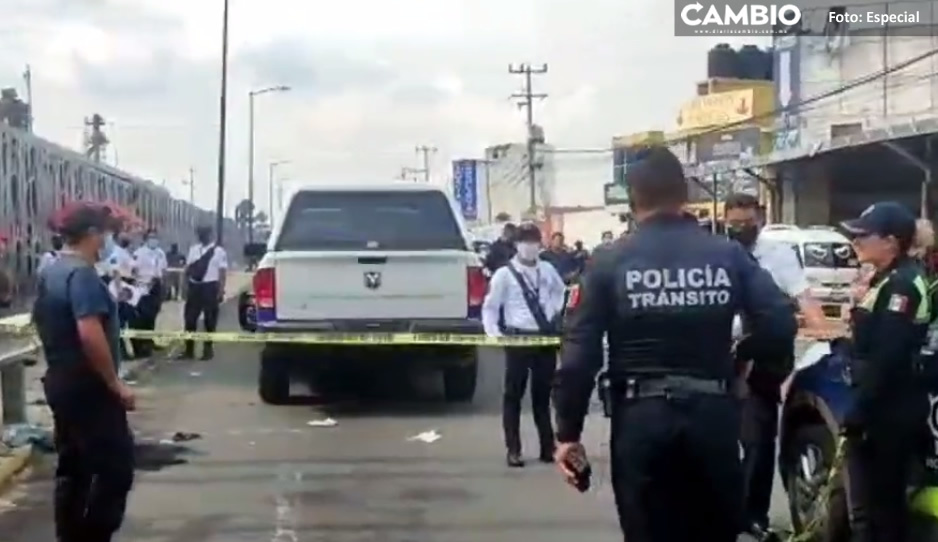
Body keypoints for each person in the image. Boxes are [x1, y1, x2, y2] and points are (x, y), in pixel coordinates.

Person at [552, 146, 797, 542]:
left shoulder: (609, 261)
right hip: (713, 419)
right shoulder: (727, 254)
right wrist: (743, 362)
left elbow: (578, 358)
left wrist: (567, 434)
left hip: (641, 423)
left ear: (632, 200)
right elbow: (780, 322)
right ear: (684, 196)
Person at [722, 192, 827, 538]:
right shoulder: (717, 255)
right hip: (720, 359)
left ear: (760, 219)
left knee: (757, 439)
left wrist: (823, 332)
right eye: (733, 224)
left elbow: (804, 300)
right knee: (718, 440)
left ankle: (753, 513)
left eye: (746, 223)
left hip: (762, 359)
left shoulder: (778, 256)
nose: (739, 230)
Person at [32, 202, 135, 542]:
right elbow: (89, 332)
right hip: (89, 387)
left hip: (60, 380)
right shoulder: (83, 275)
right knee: (115, 468)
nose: (108, 239)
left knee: (73, 467)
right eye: (105, 232)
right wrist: (114, 383)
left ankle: (70, 535)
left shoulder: (51, 271)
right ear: (92, 234)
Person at [839, 201, 931, 541]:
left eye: (865, 235)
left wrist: (859, 408)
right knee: (872, 503)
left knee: (885, 505)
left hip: (892, 409)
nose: (857, 241)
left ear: (891, 242)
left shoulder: (903, 285)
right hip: (881, 404)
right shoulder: (885, 278)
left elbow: (887, 355)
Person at [481, 222, 566, 467]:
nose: (529, 247)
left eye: (533, 242)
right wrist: (493, 332)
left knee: (543, 396)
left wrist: (552, 311)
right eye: (525, 242)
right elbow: (490, 306)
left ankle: (547, 447)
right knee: (513, 397)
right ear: (516, 245)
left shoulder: (547, 269)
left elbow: (561, 292)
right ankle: (514, 450)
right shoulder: (504, 274)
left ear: (540, 244)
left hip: (544, 339)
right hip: (517, 339)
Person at [179, 225, 228, 360]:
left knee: (210, 320)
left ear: (210, 234)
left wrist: (221, 290)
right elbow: (187, 270)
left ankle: (208, 349)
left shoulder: (219, 252)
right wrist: (184, 288)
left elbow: (222, 272)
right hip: (195, 287)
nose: (202, 236)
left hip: (210, 287)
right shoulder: (194, 250)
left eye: (205, 233)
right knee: (189, 319)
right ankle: (189, 350)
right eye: (200, 233)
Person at [131, 229, 168, 357]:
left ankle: (150, 341)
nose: (154, 240)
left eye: (155, 237)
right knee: (143, 317)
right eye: (151, 237)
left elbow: (163, 270)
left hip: (156, 286)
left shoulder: (160, 253)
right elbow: (133, 271)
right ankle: (142, 345)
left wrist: (163, 287)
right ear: (145, 239)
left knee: (153, 316)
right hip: (143, 287)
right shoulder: (139, 253)